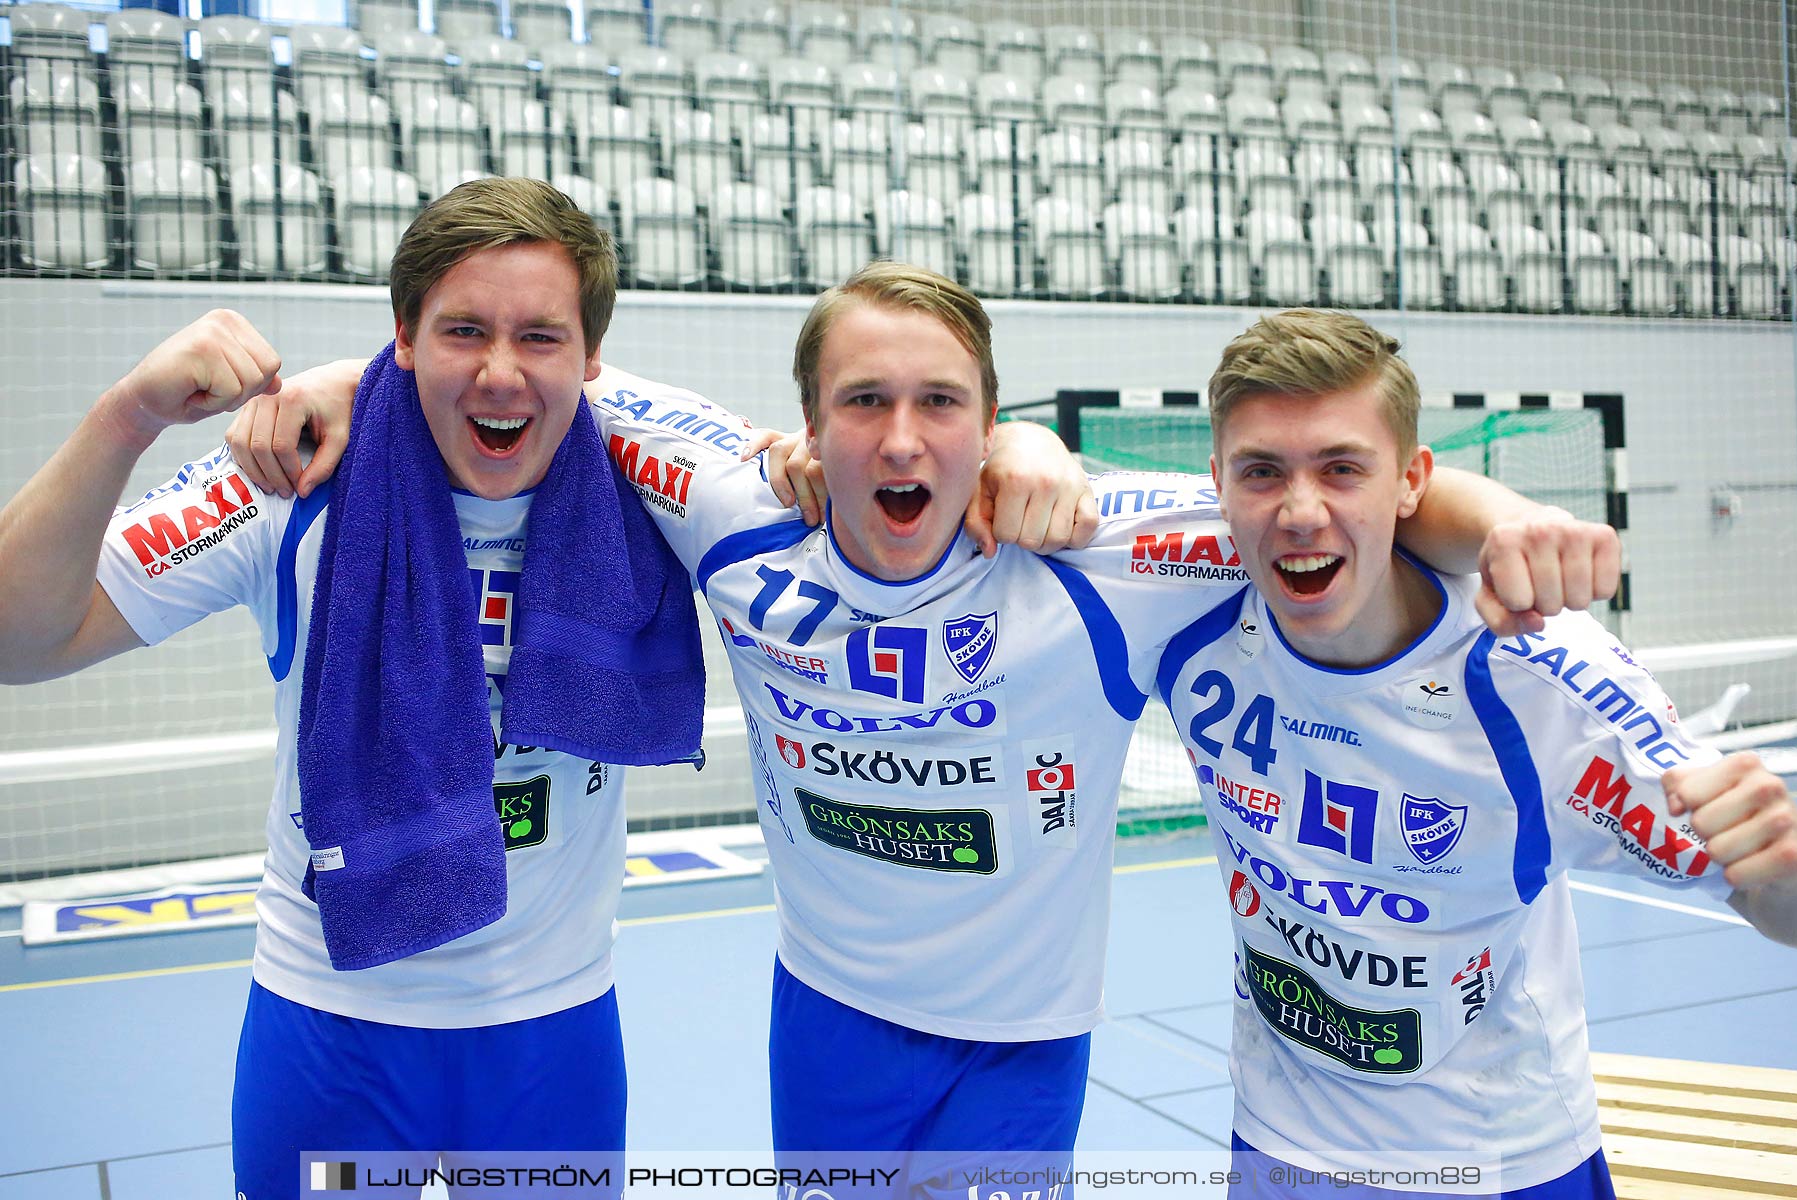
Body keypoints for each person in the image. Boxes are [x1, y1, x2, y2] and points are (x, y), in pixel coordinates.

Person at [231, 263, 1622, 1194]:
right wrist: (359, 382)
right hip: (827, 1022)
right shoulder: (731, 511)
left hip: (1020, 1045)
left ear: (992, 426)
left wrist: (1506, 523)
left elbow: (1324, 505)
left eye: (942, 406)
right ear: (806, 428)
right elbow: (537, 382)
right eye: (864, 405)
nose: (902, 440)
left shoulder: (1094, 554)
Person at [0, 177, 714, 1200]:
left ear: (592, 360)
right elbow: (22, 639)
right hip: (331, 1033)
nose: (502, 373)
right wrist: (129, 417)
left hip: (547, 1040)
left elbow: (850, 485)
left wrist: (1010, 449)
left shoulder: (648, 488)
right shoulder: (293, 483)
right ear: (404, 340)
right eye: (463, 330)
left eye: (542, 338)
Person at [1153, 309, 1797, 1198]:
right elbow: (1006, 487)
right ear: (1217, 483)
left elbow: (1776, 909)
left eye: (1344, 469)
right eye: (1263, 472)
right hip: (1277, 1147)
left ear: (1413, 481)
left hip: (1499, 1163)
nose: (1301, 512)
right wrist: (1023, 447)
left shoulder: (1548, 695)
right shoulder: (1181, 597)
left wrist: (1778, 864)